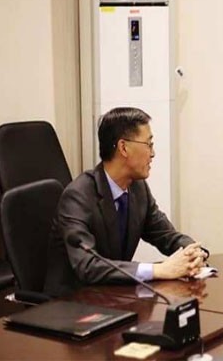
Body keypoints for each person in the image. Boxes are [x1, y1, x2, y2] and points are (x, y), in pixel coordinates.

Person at [45, 107, 207, 296]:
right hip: (72, 301)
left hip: (113, 295)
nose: (153, 153)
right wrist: (158, 270)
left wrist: (193, 252)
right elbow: (88, 266)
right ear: (123, 147)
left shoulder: (138, 188)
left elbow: (165, 235)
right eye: (149, 144)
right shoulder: (78, 196)